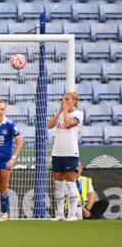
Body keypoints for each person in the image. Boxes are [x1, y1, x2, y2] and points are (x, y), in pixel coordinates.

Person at [47, 92, 83, 221]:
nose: (64, 101)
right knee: (58, 183)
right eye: (63, 99)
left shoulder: (78, 114)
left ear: (74, 101)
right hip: (57, 152)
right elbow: (49, 125)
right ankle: (59, 213)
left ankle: (72, 214)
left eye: (67, 99)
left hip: (70, 152)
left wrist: (66, 111)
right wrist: (59, 112)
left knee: (70, 182)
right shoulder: (61, 114)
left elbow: (68, 124)